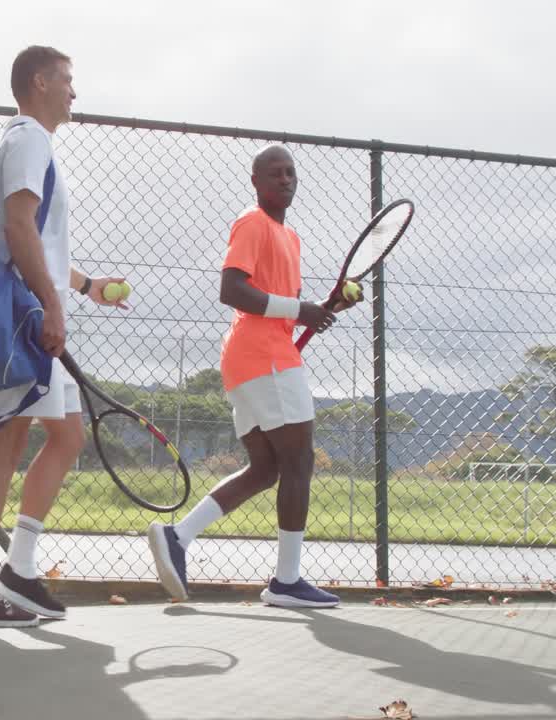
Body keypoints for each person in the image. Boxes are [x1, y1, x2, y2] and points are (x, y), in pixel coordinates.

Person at [0, 45, 128, 627]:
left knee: (67, 436)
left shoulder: (33, 143)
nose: (75, 92)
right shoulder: (27, 138)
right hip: (20, 317)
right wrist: (51, 303)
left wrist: (85, 285)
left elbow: (37, 239)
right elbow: (17, 227)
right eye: (69, 81)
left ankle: (19, 572)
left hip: (33, 310)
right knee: (9, 438)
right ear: (40, 81)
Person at [147, 144, 357, 608]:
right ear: (256, 181)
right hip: (264, 358)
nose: (286, 180)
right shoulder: (252, 222)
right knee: (298, 461)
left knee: (267, 469)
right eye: (275, 173)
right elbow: (233, 289)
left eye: (291, 173)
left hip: (258, 356)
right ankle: (286, 582)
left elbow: (285, 307)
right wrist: (300, 309)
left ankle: (178, 537)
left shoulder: (291, 238)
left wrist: (325, 308)